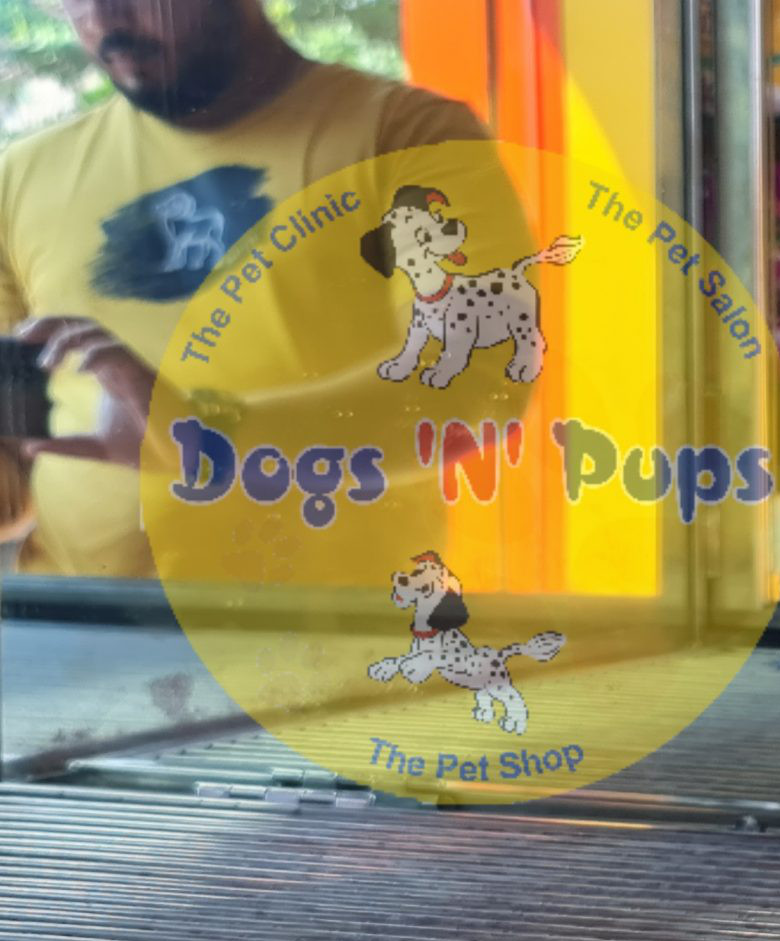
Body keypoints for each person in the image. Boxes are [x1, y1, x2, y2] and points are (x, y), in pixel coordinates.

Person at [0, 0, 488, 577]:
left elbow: (472, 394)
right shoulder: (21, 176)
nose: (104, 17)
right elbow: (14, 464)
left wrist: (205, 440)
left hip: (323, 638)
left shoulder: (409, 134)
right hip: (79, 634)